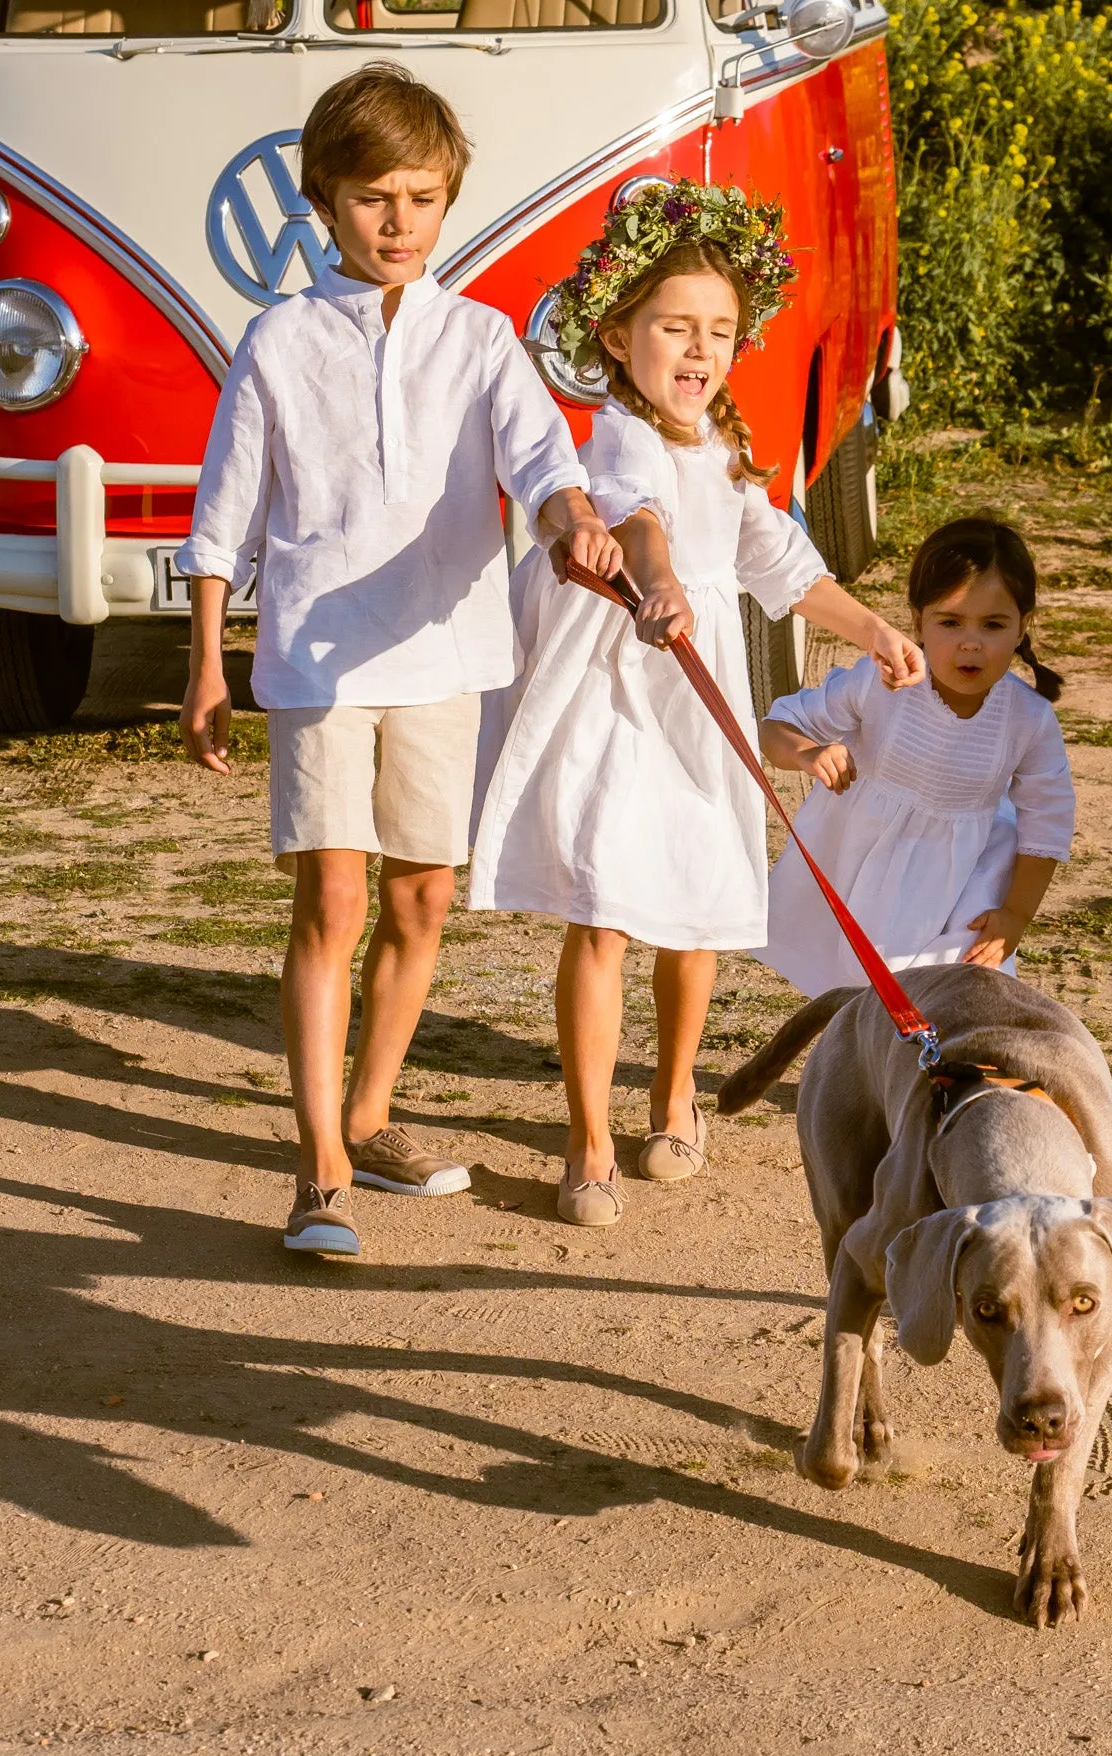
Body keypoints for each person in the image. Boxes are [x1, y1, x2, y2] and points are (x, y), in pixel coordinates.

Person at [174, 63, 622, 1257]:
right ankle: (320, 1167)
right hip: (316, 658)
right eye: (375, 197)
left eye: (423, 197)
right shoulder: (277, 341)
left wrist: (574, 519)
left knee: (422, 900)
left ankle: (370, 1113)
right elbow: (224, 509)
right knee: (332, 897)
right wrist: (208, 660)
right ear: (324, 201)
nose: (399, 221)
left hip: (446, 651)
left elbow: (540, 463)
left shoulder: (479, 339)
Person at [468, 181, 925, 1229]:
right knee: (605, 907)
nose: (698, 349)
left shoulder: (723, 449)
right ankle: (588, 1136)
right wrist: (659, 581)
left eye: (718, 331)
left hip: (700, 695)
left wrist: (874, 633)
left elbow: (781, 563)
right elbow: (635, 523)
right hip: (620, 694)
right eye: (675, 326)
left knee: (695, 907)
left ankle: (674, 1096)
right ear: (619, 333)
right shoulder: (615, 433)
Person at [753, 514, 1075, 995]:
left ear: (1022, 627)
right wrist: (807, 753)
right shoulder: (880, 683)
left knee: (964, 992)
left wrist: (1016, 915)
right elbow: (774, 729)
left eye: (993, 624)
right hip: (861, 872)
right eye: (950, 621)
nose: (971, 642)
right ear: (917, 620)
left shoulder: (1028, 718)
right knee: (864, 1001)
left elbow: (1046, 824)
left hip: (965, 883)